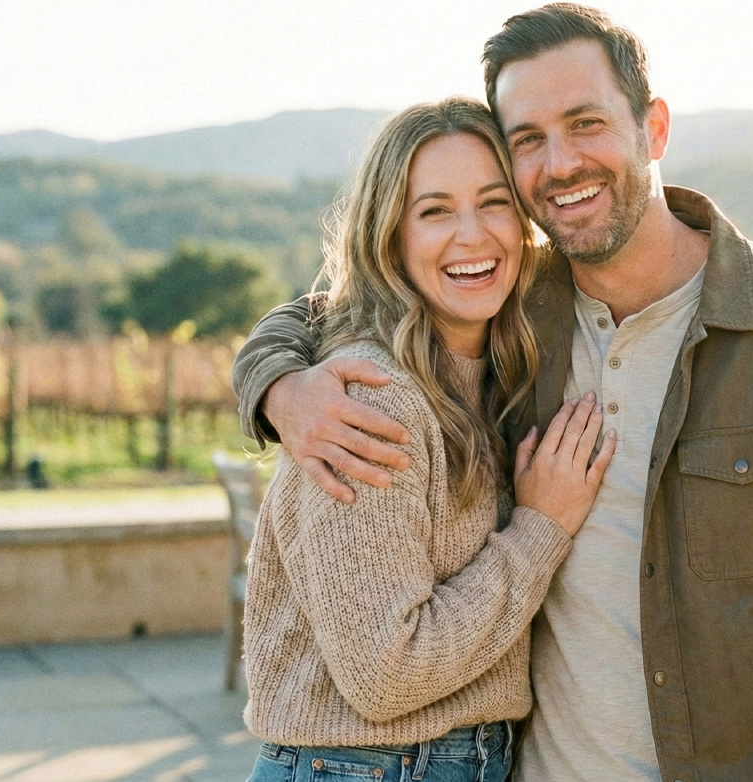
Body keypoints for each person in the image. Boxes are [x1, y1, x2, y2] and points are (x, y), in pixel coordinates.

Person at [233, 4, 753, 781]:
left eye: (586, 124)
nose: (561, 162)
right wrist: (278, 381)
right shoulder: (516, 312)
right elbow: (350, 301)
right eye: (528, 141)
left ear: (654, 128)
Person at [241, 96, 615, 782]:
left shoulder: (490, 365)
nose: (471, 236)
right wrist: (541, 528)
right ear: (391, 236)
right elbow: (385, 674)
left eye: (494, 202)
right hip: (371, 768)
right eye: (434, 211)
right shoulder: (370, 396)